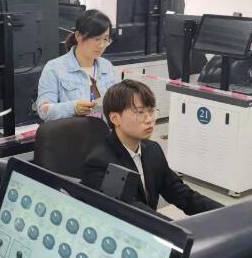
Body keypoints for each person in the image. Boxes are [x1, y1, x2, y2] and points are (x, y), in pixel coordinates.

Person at [82, 79, 223, 215]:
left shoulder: (152, 149)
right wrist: (174, 229)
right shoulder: (100, 162)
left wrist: (224, 212)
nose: (149, 120)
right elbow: (131, 211)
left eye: (150, 111)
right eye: (139, 112)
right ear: (115, 118)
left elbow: (180, 192)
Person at [36, 9, 118, 121]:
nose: (101, 45)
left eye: (106, 39)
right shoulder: (54, 68)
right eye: (97, 39)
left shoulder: (107, 66)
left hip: (103, 129)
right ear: (78, 36)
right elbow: (43, 111)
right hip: (73, 130)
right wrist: (73, 108)